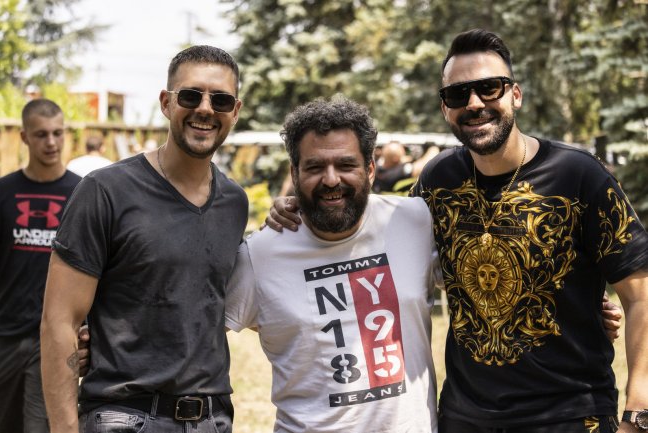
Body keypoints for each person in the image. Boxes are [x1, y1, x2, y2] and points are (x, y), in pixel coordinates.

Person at [267, 29, 645, 433]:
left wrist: (638, 414)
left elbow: (640, 294)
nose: (474, 103)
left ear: (515, 94)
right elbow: (378, 236)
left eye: (489, 88)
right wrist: (305, 204)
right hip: (465, 418)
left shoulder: (578, 175)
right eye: (458, 94)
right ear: (445, 108)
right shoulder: (438, 179)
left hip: (568, 416)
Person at [40, 45, 248, 433]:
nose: (205, 109)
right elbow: (59, 322)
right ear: (167, 103)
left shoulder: (235, 202)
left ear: (234, 111)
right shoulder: (105, 191)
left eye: (220, 100)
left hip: (211, 418)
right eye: (191, 96)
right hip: (124, 417)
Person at [226, 95, 441, 432]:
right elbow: (200, 336)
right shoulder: (260, 254)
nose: (330, 180)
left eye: (345, 165)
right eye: (314, 167)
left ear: (370, 169)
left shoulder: (415, 221)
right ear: (294, 173)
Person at [0, 99, 82, 433]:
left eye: (57, 133)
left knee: (40, 426)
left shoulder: (81, 193)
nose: (51, 142)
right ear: (24, 137)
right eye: (41, 134)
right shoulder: (3, 192)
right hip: (3, 333)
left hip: (53, 336)